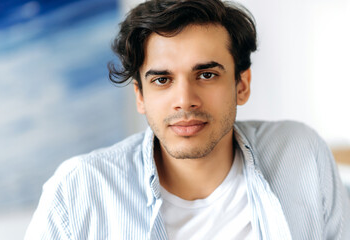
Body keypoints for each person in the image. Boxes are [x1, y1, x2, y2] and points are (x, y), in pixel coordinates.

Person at [25, 0, 350, 239]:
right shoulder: (77, 191)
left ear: (241, 85)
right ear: (140, 95)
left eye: (206, 74)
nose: (185, 100)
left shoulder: (301, 154)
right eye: (162, 80)